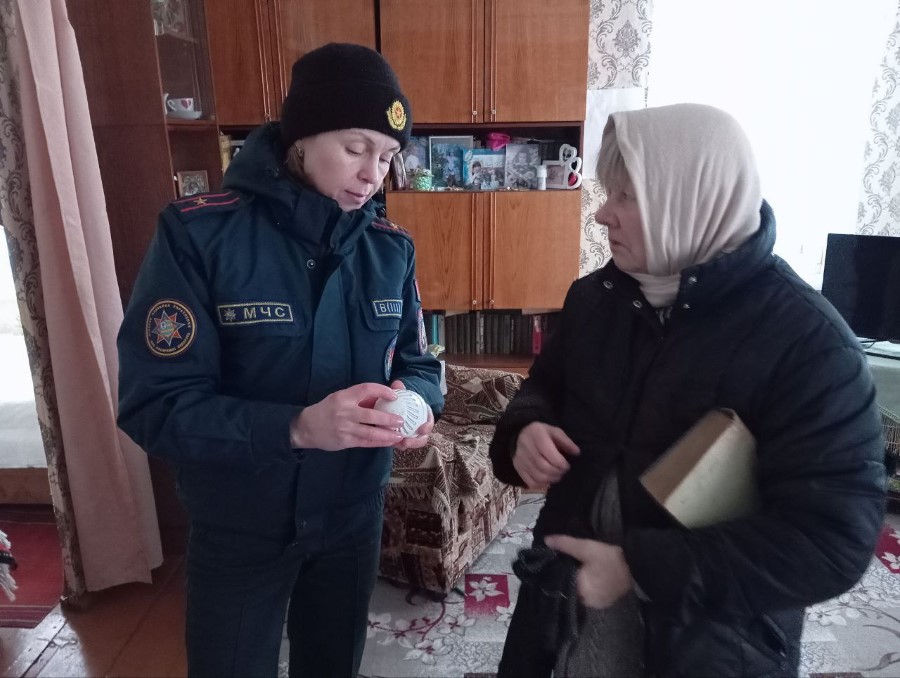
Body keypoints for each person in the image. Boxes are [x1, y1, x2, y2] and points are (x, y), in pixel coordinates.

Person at [489, 103, 886, 677]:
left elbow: (830, 542)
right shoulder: (595, 299)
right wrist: (525, 428)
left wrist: (642, 568)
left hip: (710, 644)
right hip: (563, 615)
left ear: (689, 201)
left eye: (626, 197)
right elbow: (544, 388)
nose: (602, 214)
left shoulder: (811, 344)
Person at [117, 43, 443, 677]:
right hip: (241, 520)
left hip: (352, 516)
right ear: (301, 137)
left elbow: (419, 360)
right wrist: (295, 428)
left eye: (387, 157)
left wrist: (419, 400)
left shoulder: (389, 250)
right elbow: (155, 406)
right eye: (355, 148)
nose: (372, 175)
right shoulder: (198, 236)